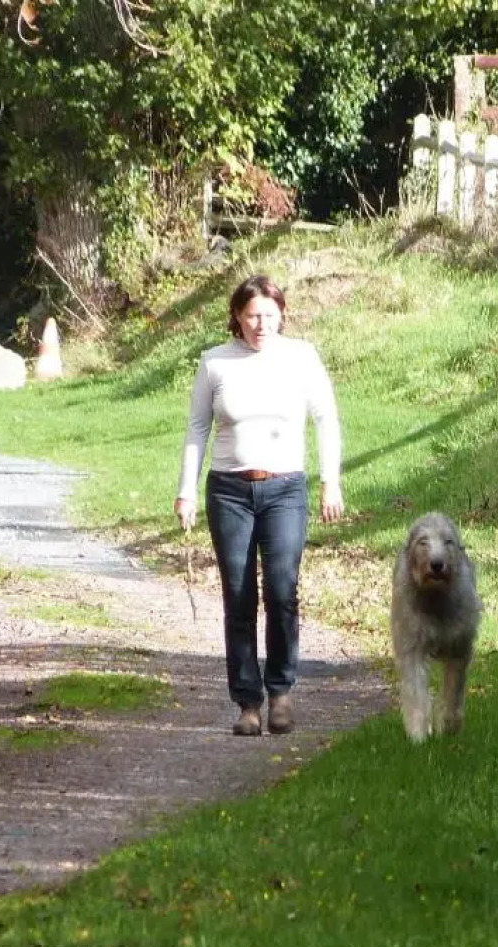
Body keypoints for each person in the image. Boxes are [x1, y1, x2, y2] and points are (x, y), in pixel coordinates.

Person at [174, 275, 343, 736]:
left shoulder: (301, 357)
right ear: (237, 317)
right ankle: (248, 702)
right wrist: (187, 490)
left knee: (282, 591)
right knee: (239, 595)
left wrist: (330, 482)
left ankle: (281, 692)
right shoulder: (215, 362)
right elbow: (197, 428)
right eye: (252, 316)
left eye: (269, 315)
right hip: (229, 491)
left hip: (285, 489)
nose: (261, 324)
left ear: (282, 314)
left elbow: (325, 418)